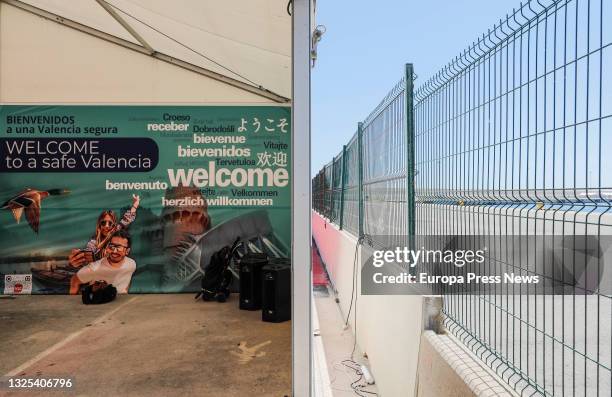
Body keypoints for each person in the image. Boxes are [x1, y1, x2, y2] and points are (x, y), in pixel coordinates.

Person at [68, 194, 139, 267]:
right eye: (103, 223)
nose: (106, 226)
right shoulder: (94, 240)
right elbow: (89, 253)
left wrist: (135, 204)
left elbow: (127, 219)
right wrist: (78, 258)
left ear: (114, 225)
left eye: (110, 223)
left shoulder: (116, 232)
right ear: (99, 225)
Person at [70, 230, 136, 294]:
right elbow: (74, 280)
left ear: (127, 251)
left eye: (119, 248)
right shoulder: (94, 268)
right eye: (111, 246)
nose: (114, 251)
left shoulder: (131, 264)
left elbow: (126, 281)